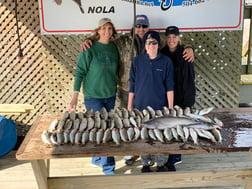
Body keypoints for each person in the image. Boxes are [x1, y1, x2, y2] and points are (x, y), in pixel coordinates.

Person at [81, 14, 194, 166]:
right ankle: (131, 153)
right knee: (128, 123)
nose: (141, 29)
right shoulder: (122, 41)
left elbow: (173, 45)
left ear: (148, 27)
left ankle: (153, 153)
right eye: (138, 26)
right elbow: (104, 42)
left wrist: (189, 47)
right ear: (133, 27)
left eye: (144, 26)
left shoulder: (156, 41)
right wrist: (89, 40)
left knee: (151, 124)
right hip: (126, 90)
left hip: (151, 93)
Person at [67, 18, 118, 175]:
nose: (107, 31)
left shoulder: (114, 48)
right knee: (103, 129)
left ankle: (96, 159)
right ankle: (108, 168)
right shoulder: (88, 48)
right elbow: (79, 72)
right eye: (103, 28)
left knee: (103, 127)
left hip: (110, 95)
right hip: (93, 97)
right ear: (97, 30)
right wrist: (75, 96)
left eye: (109, 28)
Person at [128, 31, 174, 172]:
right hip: (140, 107)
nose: (151, 45)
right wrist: (130, 106)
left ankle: (160, 164)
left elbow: (170, 87)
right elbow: (132, 85)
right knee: (144, 136)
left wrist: (170, 109)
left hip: (160, 107)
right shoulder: (137, 61)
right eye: (148, 42)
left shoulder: (166, 62)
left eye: (154, 42)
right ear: (145, 45)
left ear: (158, 45)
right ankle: (146, 163)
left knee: (159, 137)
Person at [161, 26, 196, 171]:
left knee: (181, 128)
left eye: (174, 37)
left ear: (179, 37)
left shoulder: (186, 53)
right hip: (166, 97)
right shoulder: (161, 53)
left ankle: (174, 158)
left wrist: (188, 101)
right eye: (169, 37)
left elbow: (190, 77)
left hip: (183, 97)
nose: (171, 40)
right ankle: (165, 156)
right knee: (167, 127)